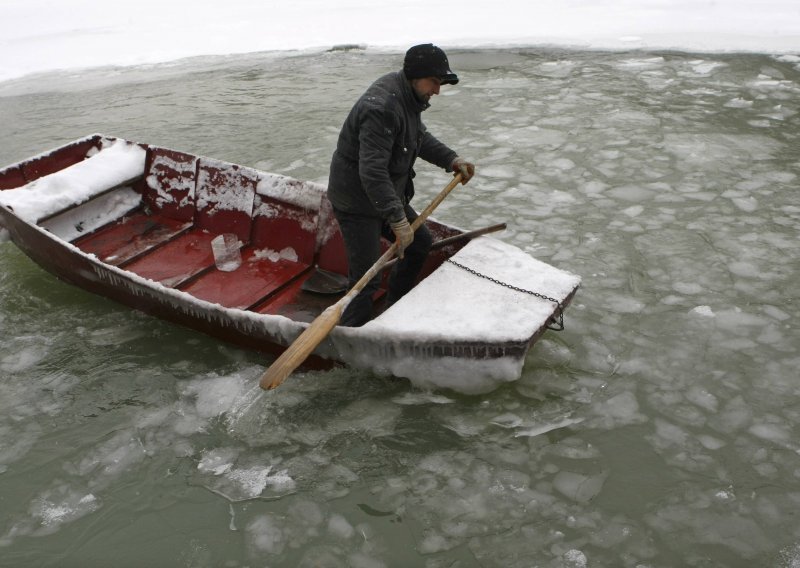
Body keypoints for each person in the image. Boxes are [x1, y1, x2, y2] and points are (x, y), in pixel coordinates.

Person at [327, 43, 476, 327]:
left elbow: (417, 136)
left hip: (384, 195)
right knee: (366, 279)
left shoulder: (406, 97)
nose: (437, 90)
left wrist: (452, 160)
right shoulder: (382, 108)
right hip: (357, 202)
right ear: (416, 75)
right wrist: (397, 219)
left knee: (420, 243)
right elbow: (371, 172)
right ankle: (350, 337)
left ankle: (394, 307)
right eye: (435, 81)